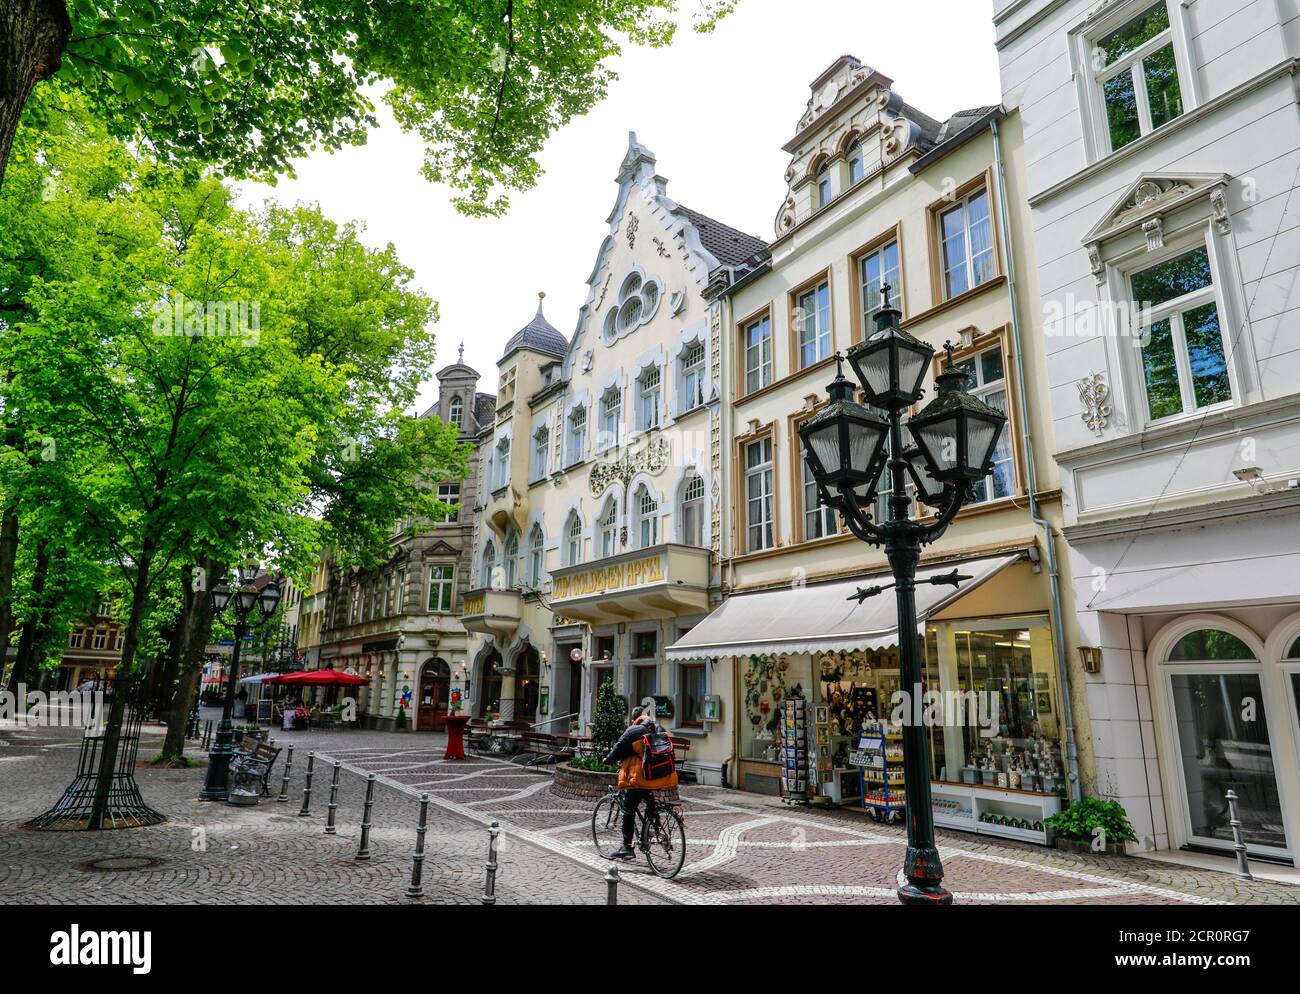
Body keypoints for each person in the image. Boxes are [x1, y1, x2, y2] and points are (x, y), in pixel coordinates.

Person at [602, 705, 678, 859]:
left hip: (640, 778)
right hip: (660, 777)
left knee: (628, 809)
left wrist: (607, 760)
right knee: (649, 803)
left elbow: (618, 749)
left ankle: (627, 847)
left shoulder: (633, 731)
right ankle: (653, 826)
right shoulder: (660, 728)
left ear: (633, 720)